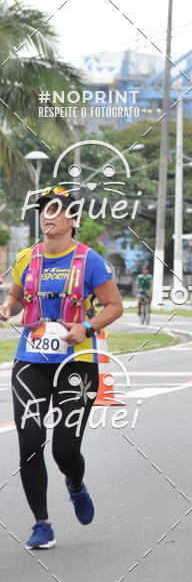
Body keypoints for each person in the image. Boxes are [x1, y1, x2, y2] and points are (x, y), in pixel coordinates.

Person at [0, 187, 123, 549]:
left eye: (56, 209)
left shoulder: (90, 261)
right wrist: (7, 307)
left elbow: (114, 306)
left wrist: (87, 327)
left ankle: (75, 484)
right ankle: (42, 524)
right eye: (43, 209)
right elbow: (17, 296)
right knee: (30, 440)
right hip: (31, 360)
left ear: (73, 219)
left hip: (76, 364)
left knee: (64, 451)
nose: (47, 216)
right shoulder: (26, 258)